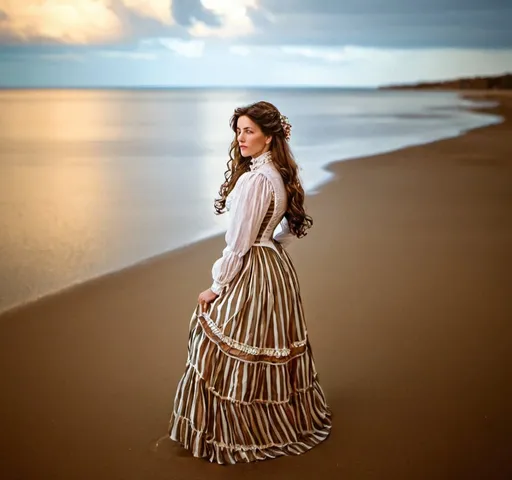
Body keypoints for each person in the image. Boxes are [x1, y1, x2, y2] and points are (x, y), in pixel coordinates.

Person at [167, 100, 332, 464]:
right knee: (265, 348)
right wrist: (269, 246)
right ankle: (278, 422)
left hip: (253, 270)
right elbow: (284, 230)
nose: (241, 138)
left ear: (269, 137)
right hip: (275, 269)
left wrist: (217, 285)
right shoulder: (278, 174)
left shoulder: (256, 180)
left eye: (249, 131)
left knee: (226, 343)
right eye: (238, 131)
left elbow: (238, 243)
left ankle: (237, 432)